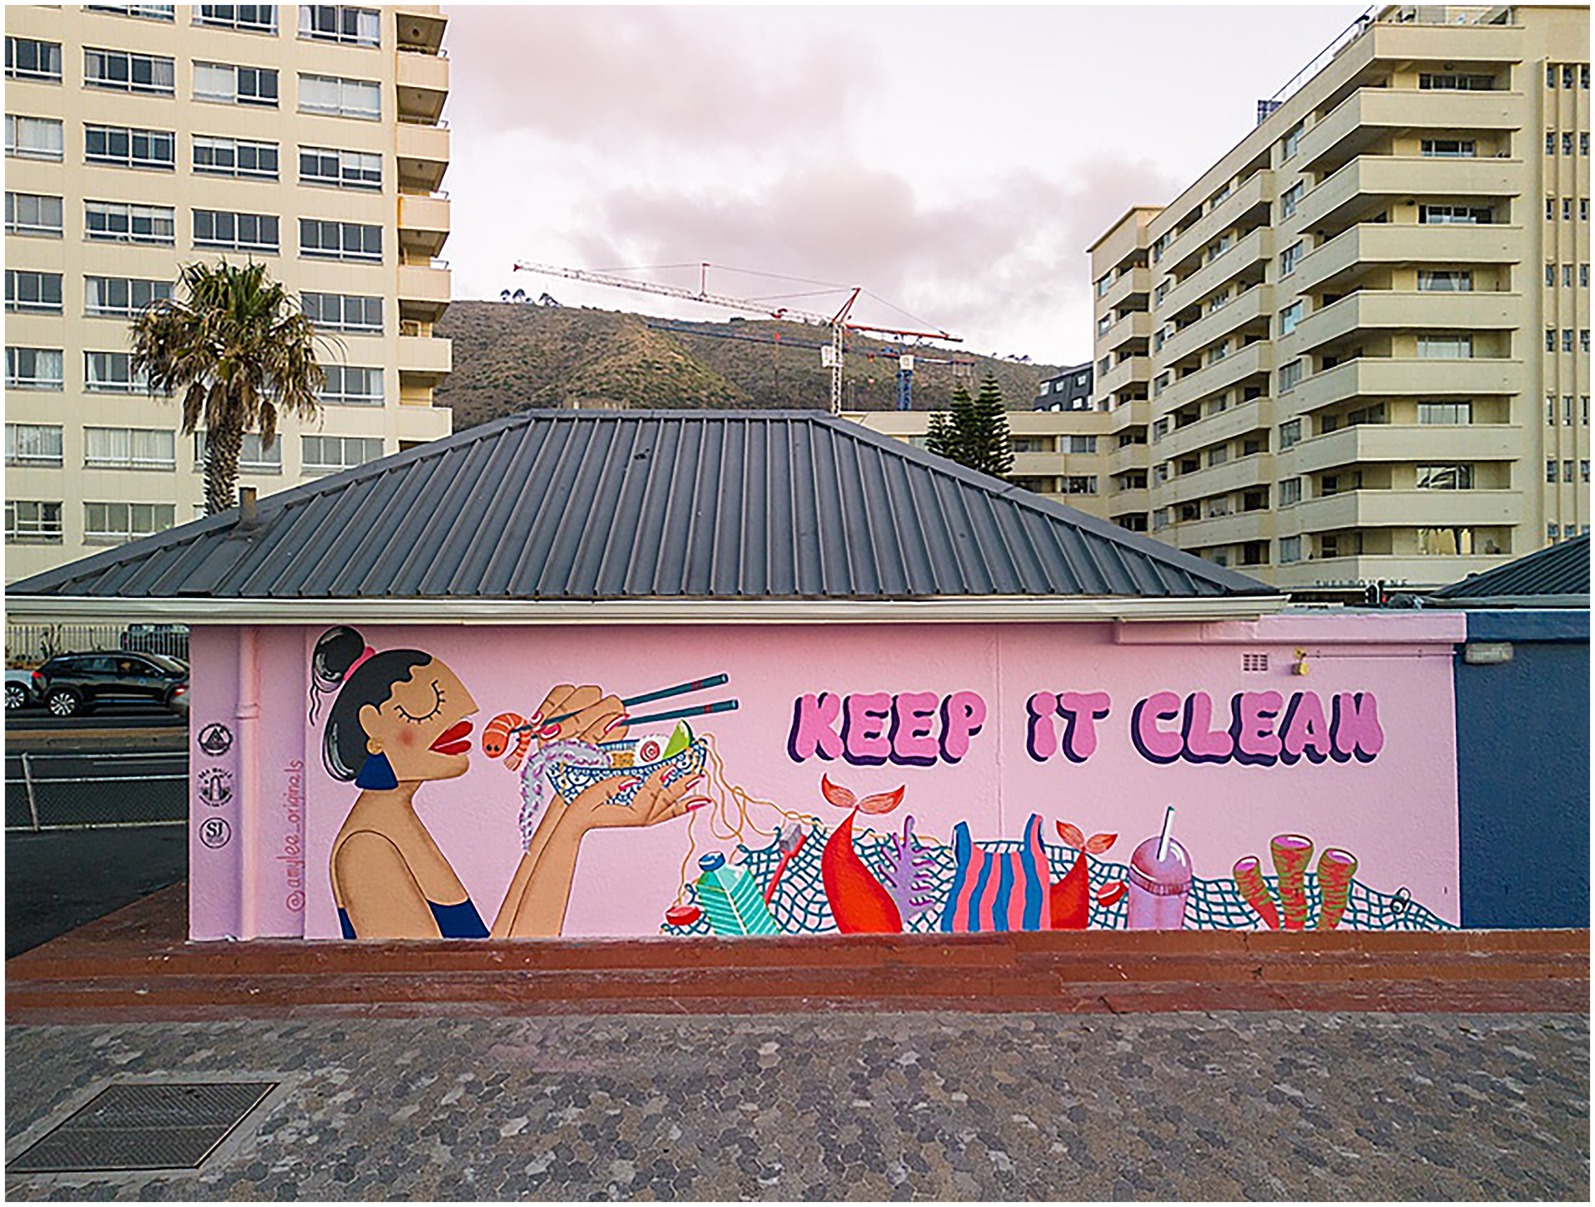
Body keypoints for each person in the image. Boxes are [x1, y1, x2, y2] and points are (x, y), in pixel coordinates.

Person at [310, 626, 706, 939]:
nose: (462, 720)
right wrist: (571, 824)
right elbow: (449, 991)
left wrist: (571, 805)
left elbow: (498, 952)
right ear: (370, 727)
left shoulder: (393, 820)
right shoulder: (366, 849)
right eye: (430, 704)